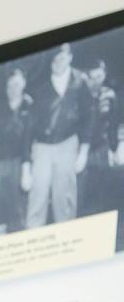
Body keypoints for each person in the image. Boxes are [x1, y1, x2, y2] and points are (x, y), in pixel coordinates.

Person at [24, 43, 93, 227]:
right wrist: (25, 165)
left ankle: (67, 242)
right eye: (54, 58)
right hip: (42, 147)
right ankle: (34, 241)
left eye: (61, 57)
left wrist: (83, 151)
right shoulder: (38, 84)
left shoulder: (80, 81)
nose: (57, 62)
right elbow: (28, 127)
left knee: (64, 199)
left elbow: (88, 117)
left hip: (67, 144)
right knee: (37, 197)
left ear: (70, 57)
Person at [0, 67, 33, 232]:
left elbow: (29, 140)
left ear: (23, 84)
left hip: (20, 162)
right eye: (9, 86)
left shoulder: (30, 107)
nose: (13, 89)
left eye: (16, 84)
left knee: (18, 209)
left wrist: (26, 167)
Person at [83, 56, 117, 215]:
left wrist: (113, 148)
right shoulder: (80, 94)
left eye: (99, 76)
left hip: (101, 147)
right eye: (93, 76)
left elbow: (112, 123)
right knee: (84, 190)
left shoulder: (109, 94)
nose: (96, 80)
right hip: (83, 148)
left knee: (102, 191)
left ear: (104, 75)